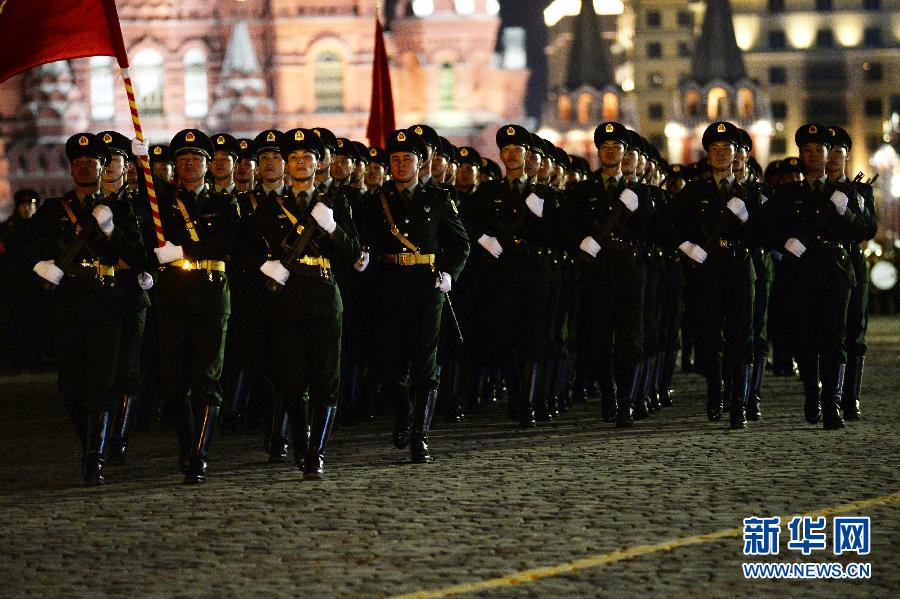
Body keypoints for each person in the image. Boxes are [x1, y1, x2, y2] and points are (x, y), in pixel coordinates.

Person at [238, 128, 359, 478]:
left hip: (324, 296)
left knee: (326, 380)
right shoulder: (271, 206)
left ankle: (316, 452)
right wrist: (265, 265)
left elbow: (355, 253)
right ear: (286, 165)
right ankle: (302, 446)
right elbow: (242, 248)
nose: (301, 162)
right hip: (286, 299)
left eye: (307, 157)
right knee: (291, 382)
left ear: (318, 163)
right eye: (293, 157)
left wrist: (333, 229)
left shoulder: (335, 203)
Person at [27, 133, 143, 484]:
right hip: (68, 304)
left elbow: (139, 255)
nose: (83, 168)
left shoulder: (120, 208)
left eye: (90, 162)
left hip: (106, 302)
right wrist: (40, 265)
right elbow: (23, 246)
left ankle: (94, 456)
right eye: (77, 163)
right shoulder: (54, 209)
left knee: (100, 381)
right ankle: (91, 441)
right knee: (70, 384)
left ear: (102, 167)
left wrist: (111, 231)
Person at [358, 128, 469, 463]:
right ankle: (404, 413)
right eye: (395, 159)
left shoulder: (438, 198)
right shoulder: (378, 200)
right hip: (389, 286)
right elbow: (367, 241)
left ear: (420, 163)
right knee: (392, 362)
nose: (401, 165)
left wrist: (450, 274)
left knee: (425, 362)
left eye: (407, 159)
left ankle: (420, 436)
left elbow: (460, 244)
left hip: (426, 287)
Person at [144, 129, 240, 482]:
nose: (189, 164)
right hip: (173, 295)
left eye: (196, 158)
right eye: (183, 159)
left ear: (207, 164)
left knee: (206, 378)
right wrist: (140, 159)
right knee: (173, 383)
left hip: (211, 294)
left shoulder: (223, 203)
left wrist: (183, 251)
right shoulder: (162, 203)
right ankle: (187, 446)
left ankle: (200, 455)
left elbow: (228, 243)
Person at [767, 124, 867, 430]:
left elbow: (865, 229)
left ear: (828, 154)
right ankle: (813, 394)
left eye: (819, 150)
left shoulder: (844, 192)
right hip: (801, 272)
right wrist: (784, 242)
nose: (813, 155)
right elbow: (766, 227)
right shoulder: (788, 194)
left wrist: (847, 212)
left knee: (834, 337)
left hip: (835, 269)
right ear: (800, 155)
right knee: (805, 336)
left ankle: (832, 403)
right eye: (807, 150)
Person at [671, 122, 763, 429]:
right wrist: (687, 246)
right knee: (709, 336)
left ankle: (738, 402)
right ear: (707, 155)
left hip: (739, 267)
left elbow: (766, 234)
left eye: (727, 149)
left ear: (737, 154)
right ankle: (715, 391)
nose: (721, 153)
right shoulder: (694, 192)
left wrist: (747, 218)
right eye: (715, 148)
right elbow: (671, 225)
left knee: (741, 336)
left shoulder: (751, 191)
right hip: (707, 270)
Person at [565, 122, 651, 427]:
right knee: (599, 337)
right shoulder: (583, 191)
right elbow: (567, 225)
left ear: (625, 153)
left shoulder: (640, 192)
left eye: (617, 147)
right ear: (598, 151)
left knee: (630, 339)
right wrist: (580, 241)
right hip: (597, 269)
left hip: (629, 268)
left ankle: (626, 400)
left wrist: (638, 210)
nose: (611, 151)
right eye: (605, 147)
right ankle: (608, 395)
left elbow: (654, 231)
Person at [97, 131, 156, 462]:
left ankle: (118, 437)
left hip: (130, 291)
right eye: (103, 161)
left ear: (126, 165)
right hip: (95, 294)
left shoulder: (139, 204)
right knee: (99, 370)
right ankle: (99, 435)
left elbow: (151, 246)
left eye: (115, 159)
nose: (108, 166)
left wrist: (144, 161)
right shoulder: (83, 205)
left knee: (128, 369)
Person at [826, 125, 878, 421]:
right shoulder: (816, 190)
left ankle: (851, 398)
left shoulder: (860, 191)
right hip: (822, 264)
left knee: (855, 330)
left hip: (852, 263)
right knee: (827, 330)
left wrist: (848, 211)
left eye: (839, 152)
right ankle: (828, 395)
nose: (833, 157)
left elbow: (869, 229)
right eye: (829, 151)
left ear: (847, 156)